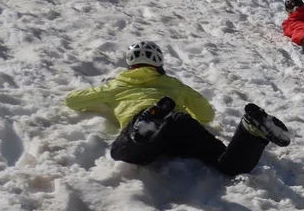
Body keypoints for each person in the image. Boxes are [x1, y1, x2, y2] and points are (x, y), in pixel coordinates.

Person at [65, 41, 291, 176]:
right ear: (159, 63)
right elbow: (206, 114)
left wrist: (104, 92)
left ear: (130, 64)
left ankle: (149, 121)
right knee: (227, 164)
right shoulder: (174, 84)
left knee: (123, 151)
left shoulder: (116, 84)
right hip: (180, 121)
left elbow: (73, 101)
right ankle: (250, 130)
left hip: (142, 122)